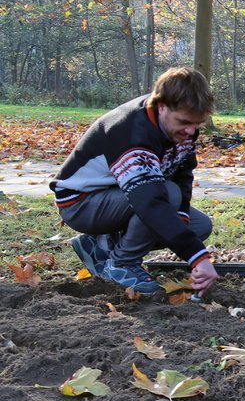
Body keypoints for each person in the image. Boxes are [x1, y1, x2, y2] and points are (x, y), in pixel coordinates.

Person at [52, 67, 219, 296]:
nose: (191, 131)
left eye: (197, 124)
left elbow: (182, 171)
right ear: (162, 107)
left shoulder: (179, 127)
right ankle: (121, 266)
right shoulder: (131, 133)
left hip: (118, 196)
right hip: (81, 203)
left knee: (198, 226)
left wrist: (180, 215)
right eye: (184, 122)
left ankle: (101, 247)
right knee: (165, 195)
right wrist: (197, 257)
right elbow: (150, 202)